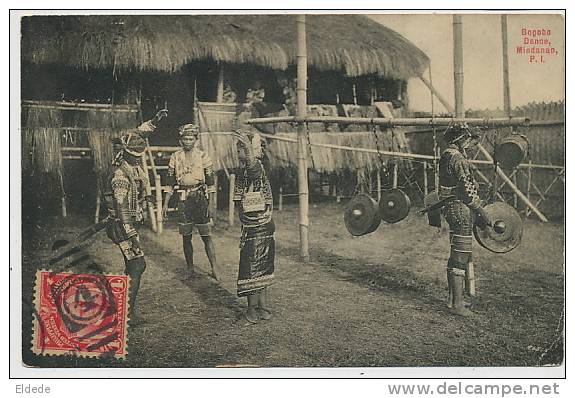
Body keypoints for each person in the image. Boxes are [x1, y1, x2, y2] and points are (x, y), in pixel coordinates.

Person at [104, 109, 168, 324]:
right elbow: (122, 209)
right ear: (127, 153)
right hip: (123, 226)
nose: (138, 157)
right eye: (135, 154)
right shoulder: (121, 175)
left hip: (127, 223)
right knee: (137, 265)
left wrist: (155, 120)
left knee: (133, 265)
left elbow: (140, 134)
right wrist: (132, 235)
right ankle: (126, 314)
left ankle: (122, 309)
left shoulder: (131, 166)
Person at [439, 123, 492, 317]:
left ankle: (453, 300)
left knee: (457, 253)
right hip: (460, 208)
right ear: (462, 139)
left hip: (451, 207)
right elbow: (467, 192)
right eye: (472, 142)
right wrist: (482, 212)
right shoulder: (458, 158)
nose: (472, 146)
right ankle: (458, 304)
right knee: (461, 255)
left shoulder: (447, 155)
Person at [162, 124, 220, 280]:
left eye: (190, 139)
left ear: (196, 140)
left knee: (206, 235)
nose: (187, 141)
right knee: (186, 237)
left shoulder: (203, 156)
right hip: (183, 198)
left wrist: (211, 205)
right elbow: (169, 180)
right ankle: (190, 268)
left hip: (200, 197)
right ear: (180, 140)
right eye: (185, 139)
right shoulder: (175, 157)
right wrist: (166, 203)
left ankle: (214, 267)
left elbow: (211, 183)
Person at [232, 130, 275, 324]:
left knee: (254, 267)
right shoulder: (243, 171)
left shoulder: (257, 167)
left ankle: (254, 309)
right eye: (239, 148)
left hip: (260, 225)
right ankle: (261, 307)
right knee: (259, 266)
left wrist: (248, 150)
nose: (238, 152)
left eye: (241, 149)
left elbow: (254, 169)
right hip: (254, 225)